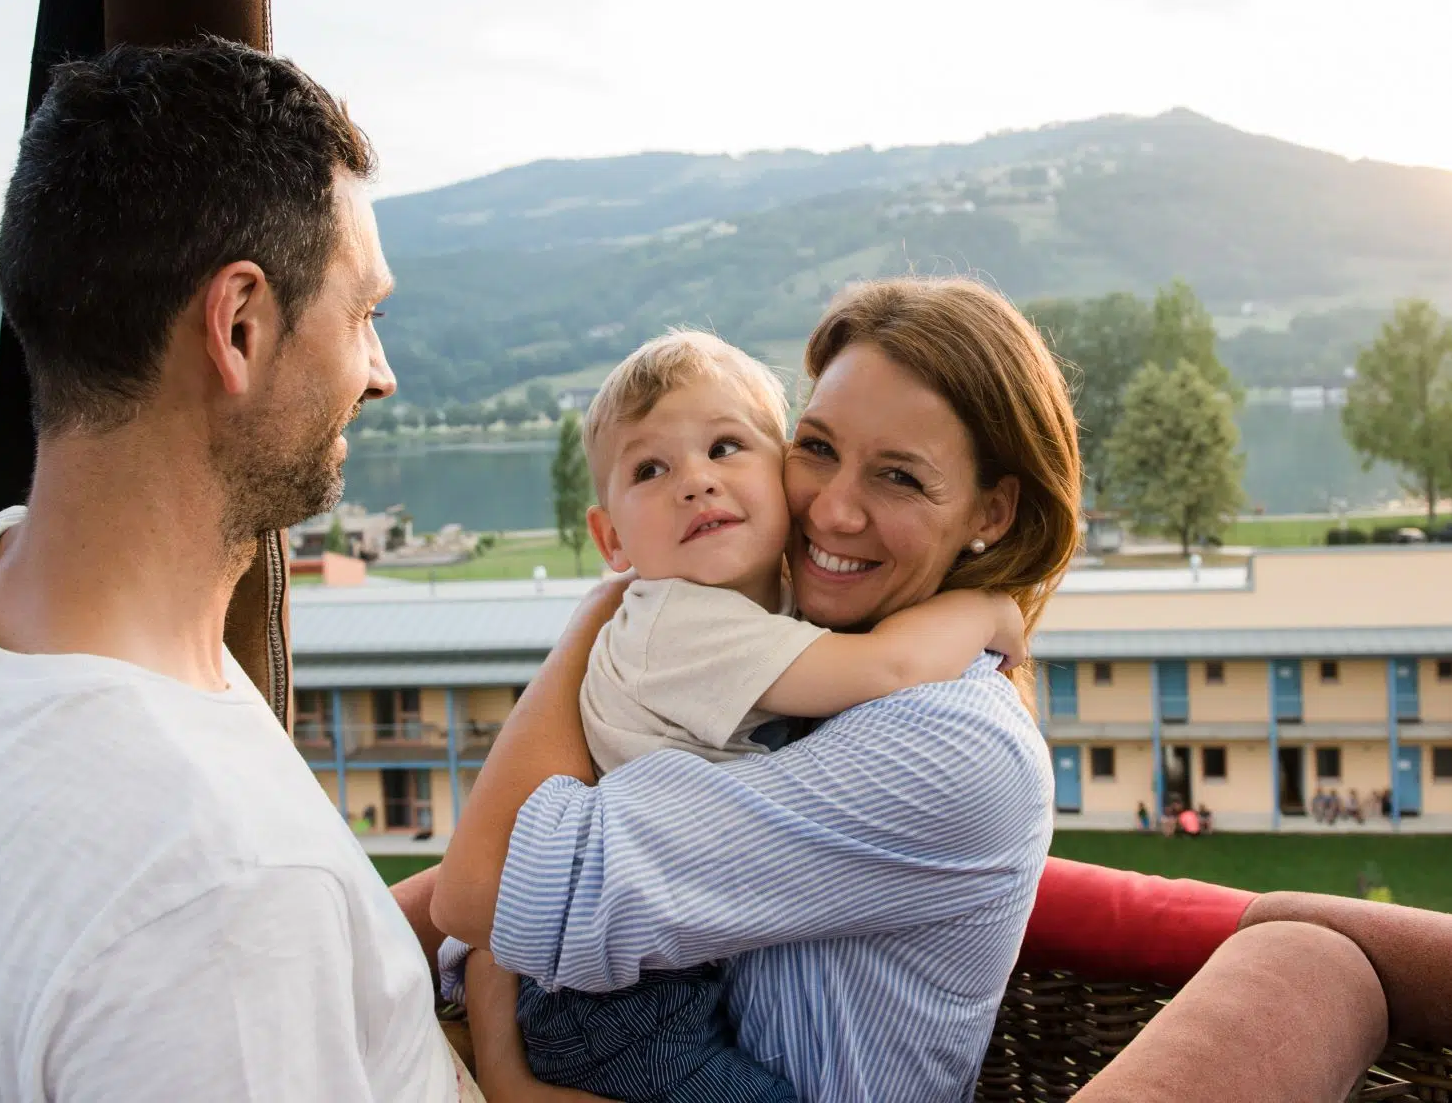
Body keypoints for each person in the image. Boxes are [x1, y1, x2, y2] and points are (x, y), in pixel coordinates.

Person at [0, 41, 474, 1101]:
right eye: (362, 315)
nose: (379, 374)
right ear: (238, 326)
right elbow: (204, 926)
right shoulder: (214, 894)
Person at [435, 278, 1076, 1102]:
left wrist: (504, 1065)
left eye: (901, 478)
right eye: (818, 449)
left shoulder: (954, 744)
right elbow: (495, 904)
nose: (835, 512)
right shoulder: (793, 645)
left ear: (992, 510)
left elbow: (485, 890)